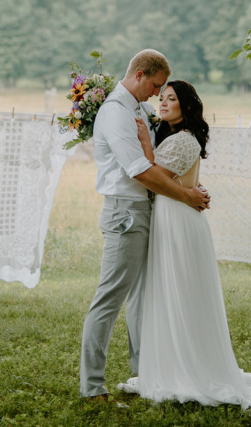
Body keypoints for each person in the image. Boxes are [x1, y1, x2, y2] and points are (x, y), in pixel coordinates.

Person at [119, 79, 251, 410]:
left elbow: (155, 175)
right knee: (169, 291)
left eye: (171, 99)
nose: (163, 103)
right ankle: (173, 364)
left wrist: (143, 141)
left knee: (183, 291)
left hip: (180, 222)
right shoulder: (173, 136)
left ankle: (192, 367)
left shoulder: (184, 140)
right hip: (170, 218)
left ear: (186, 105)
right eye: (162, 98)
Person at [80, 51, 210, 404]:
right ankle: (93, 387)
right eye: (155, 86)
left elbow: (166, 159)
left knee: (141, 299)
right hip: (126, 214)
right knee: (110, 299)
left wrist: (187, 187)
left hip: (148, 211)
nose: (157, 94)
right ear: (140, 75)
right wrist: (186, 196)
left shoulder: (138, 108)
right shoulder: (116, 113)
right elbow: (139, 170)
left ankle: (145, 375)